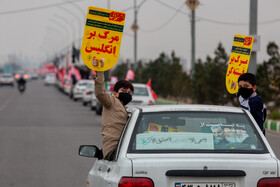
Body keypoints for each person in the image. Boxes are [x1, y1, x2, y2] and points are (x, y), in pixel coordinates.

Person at [92, 57, 134, 161]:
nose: (127, 93)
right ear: (115, 93)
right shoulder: (112, 102)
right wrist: (100, 71)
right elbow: (100, 93)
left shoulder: (129, 111)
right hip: (113, 151)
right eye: (124, 90)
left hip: (126, 151)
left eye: (130, 92)